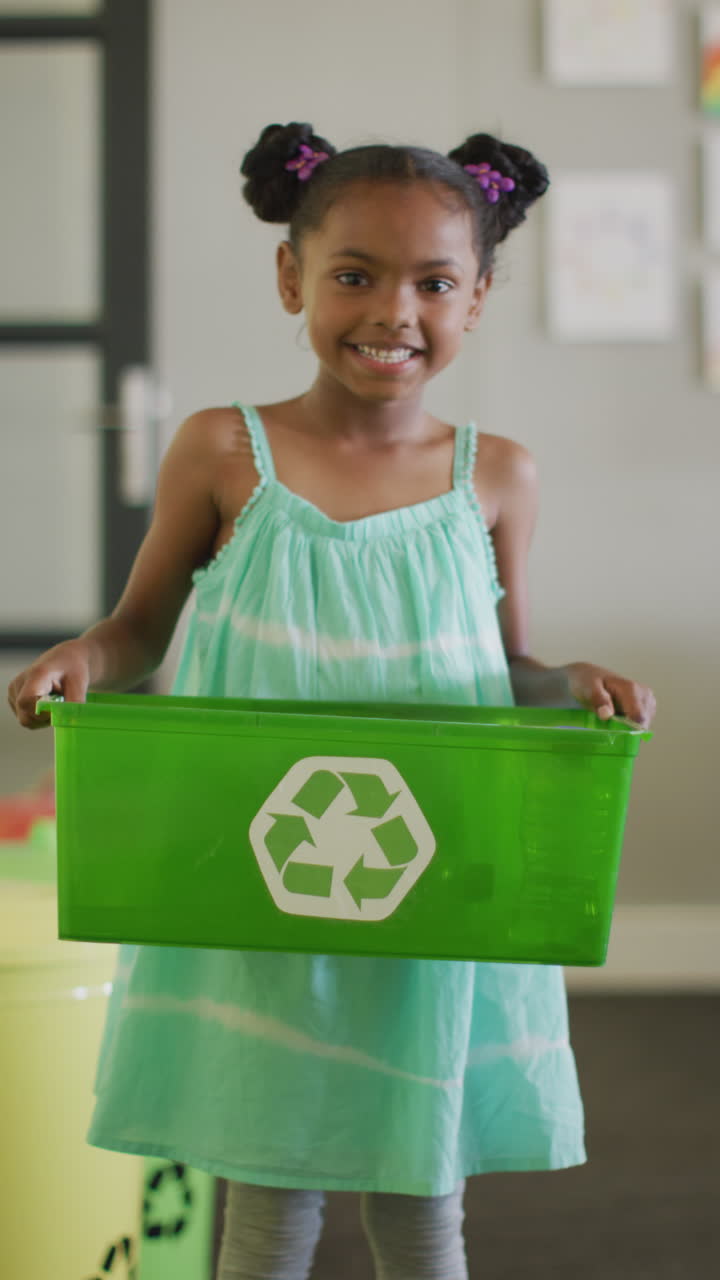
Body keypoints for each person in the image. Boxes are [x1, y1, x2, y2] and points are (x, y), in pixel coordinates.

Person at [8, 122, 656, 1280]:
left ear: (478, 296)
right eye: (355, 274)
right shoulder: (222, 450)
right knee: (268, 1188)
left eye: (434, 283)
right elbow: (140, 626)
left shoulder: (496, 473)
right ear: (290, 275)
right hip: (260, 868)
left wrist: (573, 683)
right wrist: (84, 659)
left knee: (421, 1192)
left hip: (430, 873)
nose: (392, 311)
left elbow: (505, 663)